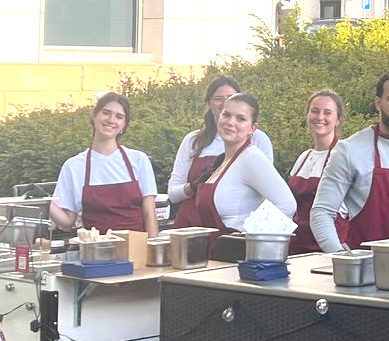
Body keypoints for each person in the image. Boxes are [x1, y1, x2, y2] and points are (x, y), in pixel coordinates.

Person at [311, 69, 389, 252]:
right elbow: (321, 212)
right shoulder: (350, 150)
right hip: (368, 270)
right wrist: (341, 257)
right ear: (378, 103)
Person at [189, 94, 295, 249]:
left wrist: (247, 242)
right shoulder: (223, 162)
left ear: (252, 128)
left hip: (237, 263)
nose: (231, 122)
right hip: (215, 259)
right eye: (226, 115)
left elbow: (287, 205)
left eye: (241, 119)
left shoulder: (251, 158)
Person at [168, 76, 275, 228]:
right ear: (209, 103)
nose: (225, 103)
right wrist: (193, 187)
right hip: (192, 226)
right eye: (218, 98)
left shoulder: (257, 139)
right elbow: (173, 194)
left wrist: (254, 231)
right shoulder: (193, 140)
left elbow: (269, 193)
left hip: (234, 228)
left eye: (231, 98)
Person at [50, 93, 159, 236]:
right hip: (94, 252)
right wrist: (46, 204)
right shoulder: (73, 166)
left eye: (119, 117)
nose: (111, 120)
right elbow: (68, 221)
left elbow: (149, 214)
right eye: (106, 113)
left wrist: (154, 253)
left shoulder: (138, 160)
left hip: (136, 251)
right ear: (94, 116)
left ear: (123, 126)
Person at [288, 89, 348, 255]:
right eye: (314, 111)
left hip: (328, 249)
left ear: (338, 120)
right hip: (297, 249)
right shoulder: (304, 157)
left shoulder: (344, 156)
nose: (320, 117)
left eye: (327, 112)